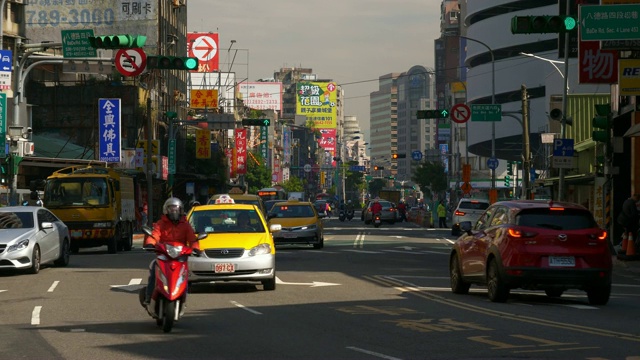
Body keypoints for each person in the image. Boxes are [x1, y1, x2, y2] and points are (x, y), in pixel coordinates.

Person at [143, 197, 200, 305]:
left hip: (180, 255)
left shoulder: (185, 225)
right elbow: (155, 235)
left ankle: (183, 296)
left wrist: (196, 248)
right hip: (164, 254)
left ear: (181, 210)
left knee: (185, 274)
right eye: (171, 209)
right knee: (154, 270)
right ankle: (148, 296)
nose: (174, 212)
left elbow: (192, 239)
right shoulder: (161, 223)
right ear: (166, 210)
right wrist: (150, 243)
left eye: (176, 209)